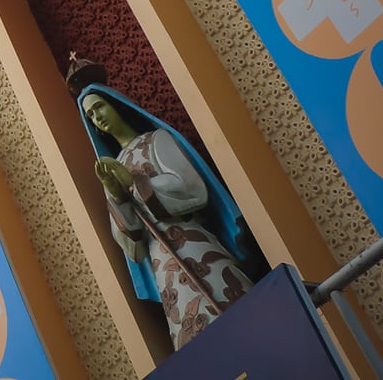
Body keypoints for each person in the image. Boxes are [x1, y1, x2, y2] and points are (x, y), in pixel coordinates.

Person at [70, 61, 256, 348]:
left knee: (235, 311)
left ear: (115, 104)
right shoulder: (113, 167)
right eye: (91, 115)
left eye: (100, 108)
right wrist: (118, 196)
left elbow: (191, 188)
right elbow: (132, 246)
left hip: (193, 243)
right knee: (196, 338)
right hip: (163, 264)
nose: (98, 118)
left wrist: (135, 184)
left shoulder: (156, 140)